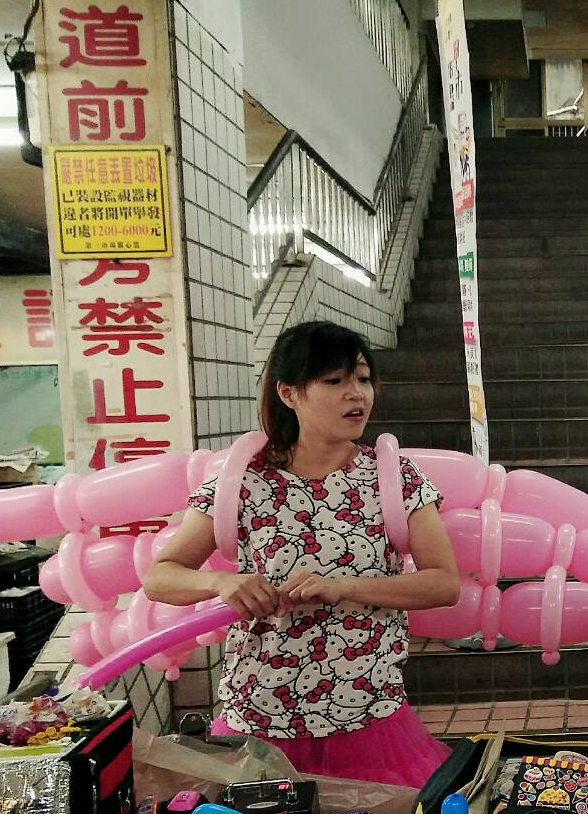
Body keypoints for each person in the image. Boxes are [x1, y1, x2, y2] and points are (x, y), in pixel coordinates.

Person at [144, 321, 460, 787]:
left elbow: (444, 583)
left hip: (366, 714)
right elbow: (160, 578)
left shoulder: (394, 477)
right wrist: (221, 582)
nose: (357, 394)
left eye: (363, 378)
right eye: (334, 381)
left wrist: (345, 587)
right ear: (289, 393)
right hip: (259, 717)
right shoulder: (242, 480)